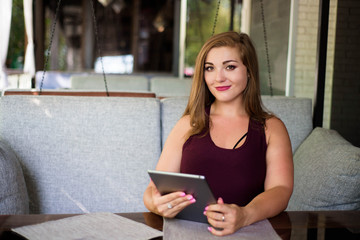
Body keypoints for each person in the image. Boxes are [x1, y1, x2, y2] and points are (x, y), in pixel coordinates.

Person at [143, 31, 293, 236]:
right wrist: (157, 204)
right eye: (210, 68)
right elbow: (152, 191)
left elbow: (281, 190)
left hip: (248, 232)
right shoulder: (188, 124)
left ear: (249, 71)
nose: (218, 77)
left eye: (230, 67)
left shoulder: (271, 128)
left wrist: (245, 215)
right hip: (187, 233)